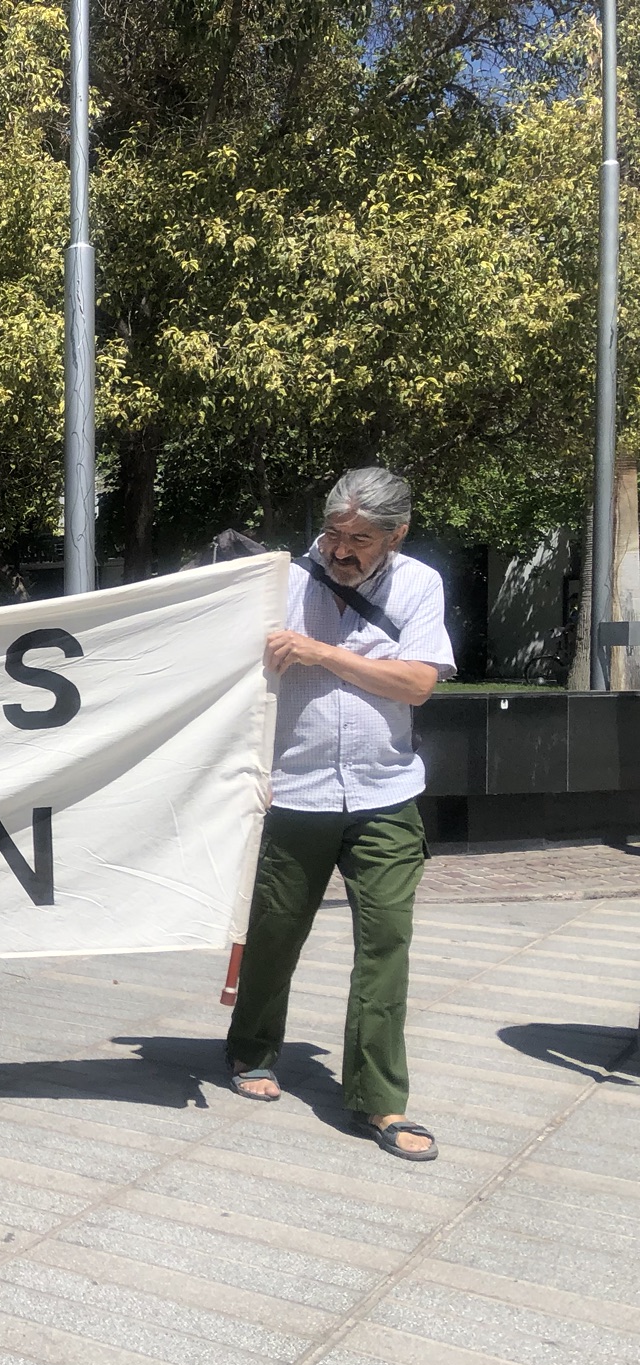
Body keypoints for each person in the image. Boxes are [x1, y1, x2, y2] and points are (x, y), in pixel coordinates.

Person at [225, 467, 455, 1163]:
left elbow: (417, 681)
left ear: (396, 535)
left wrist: (322, 653)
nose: (341, 550)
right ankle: (252, 1049)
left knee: (386, 946)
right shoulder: (284, 582)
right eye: (332, 533)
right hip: (295, 791)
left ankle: (380, 1099)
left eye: (359, 539)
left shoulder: (419, 585)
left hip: (385, 794)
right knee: (274, 932)